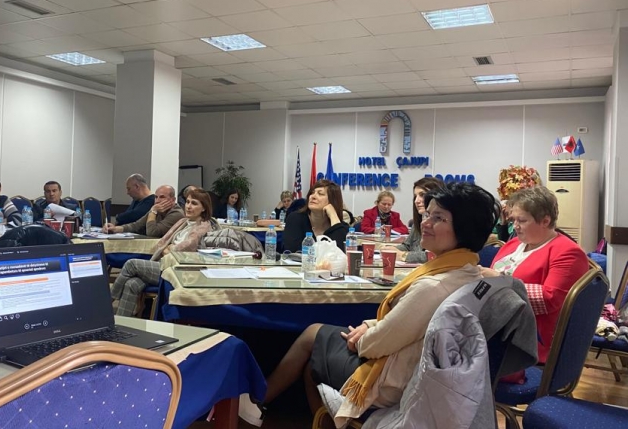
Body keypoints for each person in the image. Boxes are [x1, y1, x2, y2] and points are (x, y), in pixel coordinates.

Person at [240, 182, 499, 427]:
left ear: (464, 228)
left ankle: (257, 401)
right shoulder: (468, 272)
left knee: (312, 334)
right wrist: (368, 325)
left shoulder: (433, 285)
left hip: (394, 379)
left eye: (438, 218)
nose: (426, 223)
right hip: (415, 369)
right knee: (312, 366)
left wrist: (360, 339)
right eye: (427, 215)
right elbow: (407, 323)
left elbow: (380, 343)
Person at [483, 186, 588, 363]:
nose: (515, 226)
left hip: (528, 340)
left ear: (545, 220)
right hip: (499, 325)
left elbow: (551, 298)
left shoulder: (568, 252)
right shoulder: (513, 244)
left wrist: (499, 281)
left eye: (522, 220)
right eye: (513, 220)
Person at [110, 189, 218, 316]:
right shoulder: (183, 222)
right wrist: (169, 249)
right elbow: (161, 244)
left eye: (194, 203)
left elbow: (182, 249)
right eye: (187, 202)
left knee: (131, 264)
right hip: (165, 264)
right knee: (131, 284)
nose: (188, 206)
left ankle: (107, 301)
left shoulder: (203, 227)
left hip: (178, 271)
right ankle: (122, 322)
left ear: (204, 208)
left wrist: (169, 249)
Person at [385, 177, 445, 263]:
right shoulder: (418, 221)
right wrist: (391, 249)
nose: (416, 201)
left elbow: (434, 255)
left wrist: (404, 255)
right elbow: (407, 246)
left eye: (422, 195)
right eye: (415, 196)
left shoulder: (444, 223)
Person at [283, 179, 349, 252]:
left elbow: (341, 253)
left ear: (333, 200)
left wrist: (333, 215)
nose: (313, 196)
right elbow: (292, 251)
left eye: (320, 194)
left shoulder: (342, 228)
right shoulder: (295, 218)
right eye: (312, 193)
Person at [103, 185, 183, 237]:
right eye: (156, 197)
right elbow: (136, 225)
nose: (157, 201)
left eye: (162, 197)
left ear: (173, 200)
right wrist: (115, 229)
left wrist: (153, 212)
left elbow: (152, 233)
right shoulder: (157, 209)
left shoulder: (176, 214)